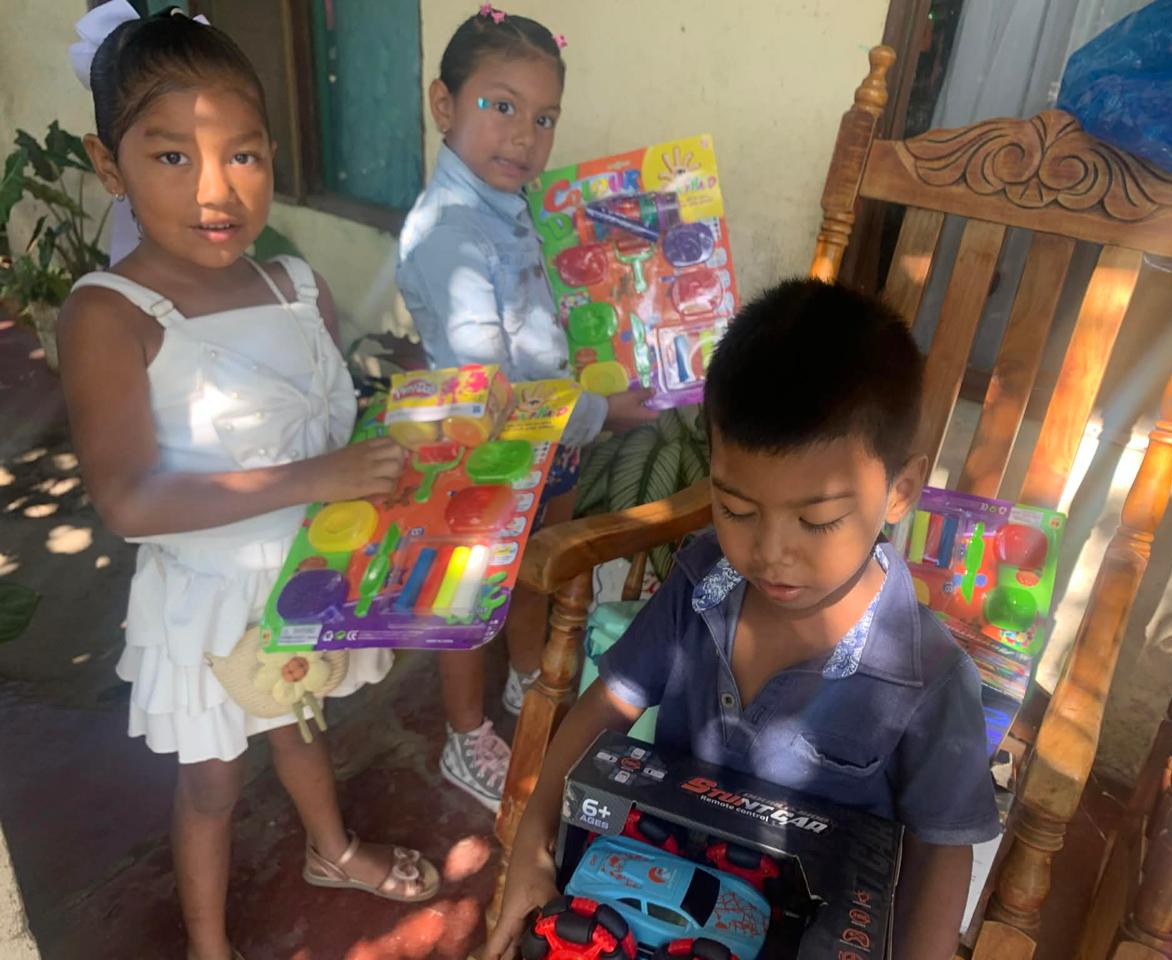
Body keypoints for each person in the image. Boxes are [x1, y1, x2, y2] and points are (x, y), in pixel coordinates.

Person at [59, 8, 438, 959]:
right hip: (210, 603)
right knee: (213, 781)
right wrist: (322, 472)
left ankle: (331, 850)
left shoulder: (295, 285)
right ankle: (208, 942)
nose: (217, 190)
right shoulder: (111, 314)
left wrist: (406, 441)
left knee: (300, 722)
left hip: (301, 579)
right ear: (110, 167)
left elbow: (329, 421)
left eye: (244, 155)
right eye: (172, 156)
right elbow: (130, 501)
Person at [484, 279, 1001, 960]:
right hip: (659, 894)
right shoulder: (703, 582)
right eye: (736, 509)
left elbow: (940, 856)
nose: (771, 552)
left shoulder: (928, 677)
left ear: (900, 492)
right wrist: (532, 847)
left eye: (817, 520)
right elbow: (603, 706)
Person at [396, 5, 657, 813]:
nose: (524, 135)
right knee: (468, 603)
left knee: (535, 575)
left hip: (550, 448)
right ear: (444, 105)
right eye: (501, 106)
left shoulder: (521, 205)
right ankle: (465, 734)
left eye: (544, 118)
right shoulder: (447, 231)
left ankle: (522, 680)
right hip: (481, 455)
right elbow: (491, 391)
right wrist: (604, 415)